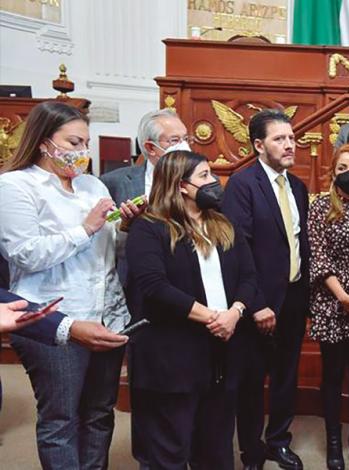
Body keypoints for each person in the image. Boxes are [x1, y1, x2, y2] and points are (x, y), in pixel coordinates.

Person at [0, 101, 141, 469]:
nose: (82, 153)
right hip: (53, 319)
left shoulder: (92, 184)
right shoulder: (16, 185)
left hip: (107, 314)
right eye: (74, 143)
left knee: (99, 413)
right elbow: (25, 254)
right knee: (61, 419)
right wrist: (86, 228)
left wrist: (123, 228)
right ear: (45, 142)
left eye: (85, 143)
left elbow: (108, 253)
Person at [125, 150, 257, 469]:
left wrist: (235, 312)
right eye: (205, 176)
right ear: (181, 185)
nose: (214, 181)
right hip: (170, 355)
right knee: (169, 450)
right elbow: (153, 286)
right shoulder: (149, 227)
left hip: (221, 352)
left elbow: (249, 276)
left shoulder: (223, 224)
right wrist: (211, 316)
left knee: (215, 448)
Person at [221, 109, 309, 470]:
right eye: (279, 139)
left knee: (286, 377)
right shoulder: (243, 185)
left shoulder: (298, 186)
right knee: (252, 382)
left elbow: (301, 245)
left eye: (291, 138)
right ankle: (252, 450)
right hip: (257, 305)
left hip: (293, 299)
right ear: (259, 145)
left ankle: (278, 441)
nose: (289, 145)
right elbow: (238, 248)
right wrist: (255, 304)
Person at [307, 144, 349, 470]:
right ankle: (334, 443)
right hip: (330, 301)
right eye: (343, 167)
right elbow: (318, 257)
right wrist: (343, 296)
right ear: (333, 172)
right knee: (332, 375)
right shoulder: (320, 207)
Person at [0, 289, 129, 412]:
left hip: (108, 312)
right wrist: (65, 325)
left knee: (100, 410)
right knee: (60, 415)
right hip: (53, 309)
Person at [100, 109, 189, 284]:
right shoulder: (114, 182)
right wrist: (126, 226)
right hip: (136, 282)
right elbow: (106, 243)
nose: (184, 146)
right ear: (150, 147)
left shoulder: (204, 181)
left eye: (185, 139)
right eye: (174, 141)